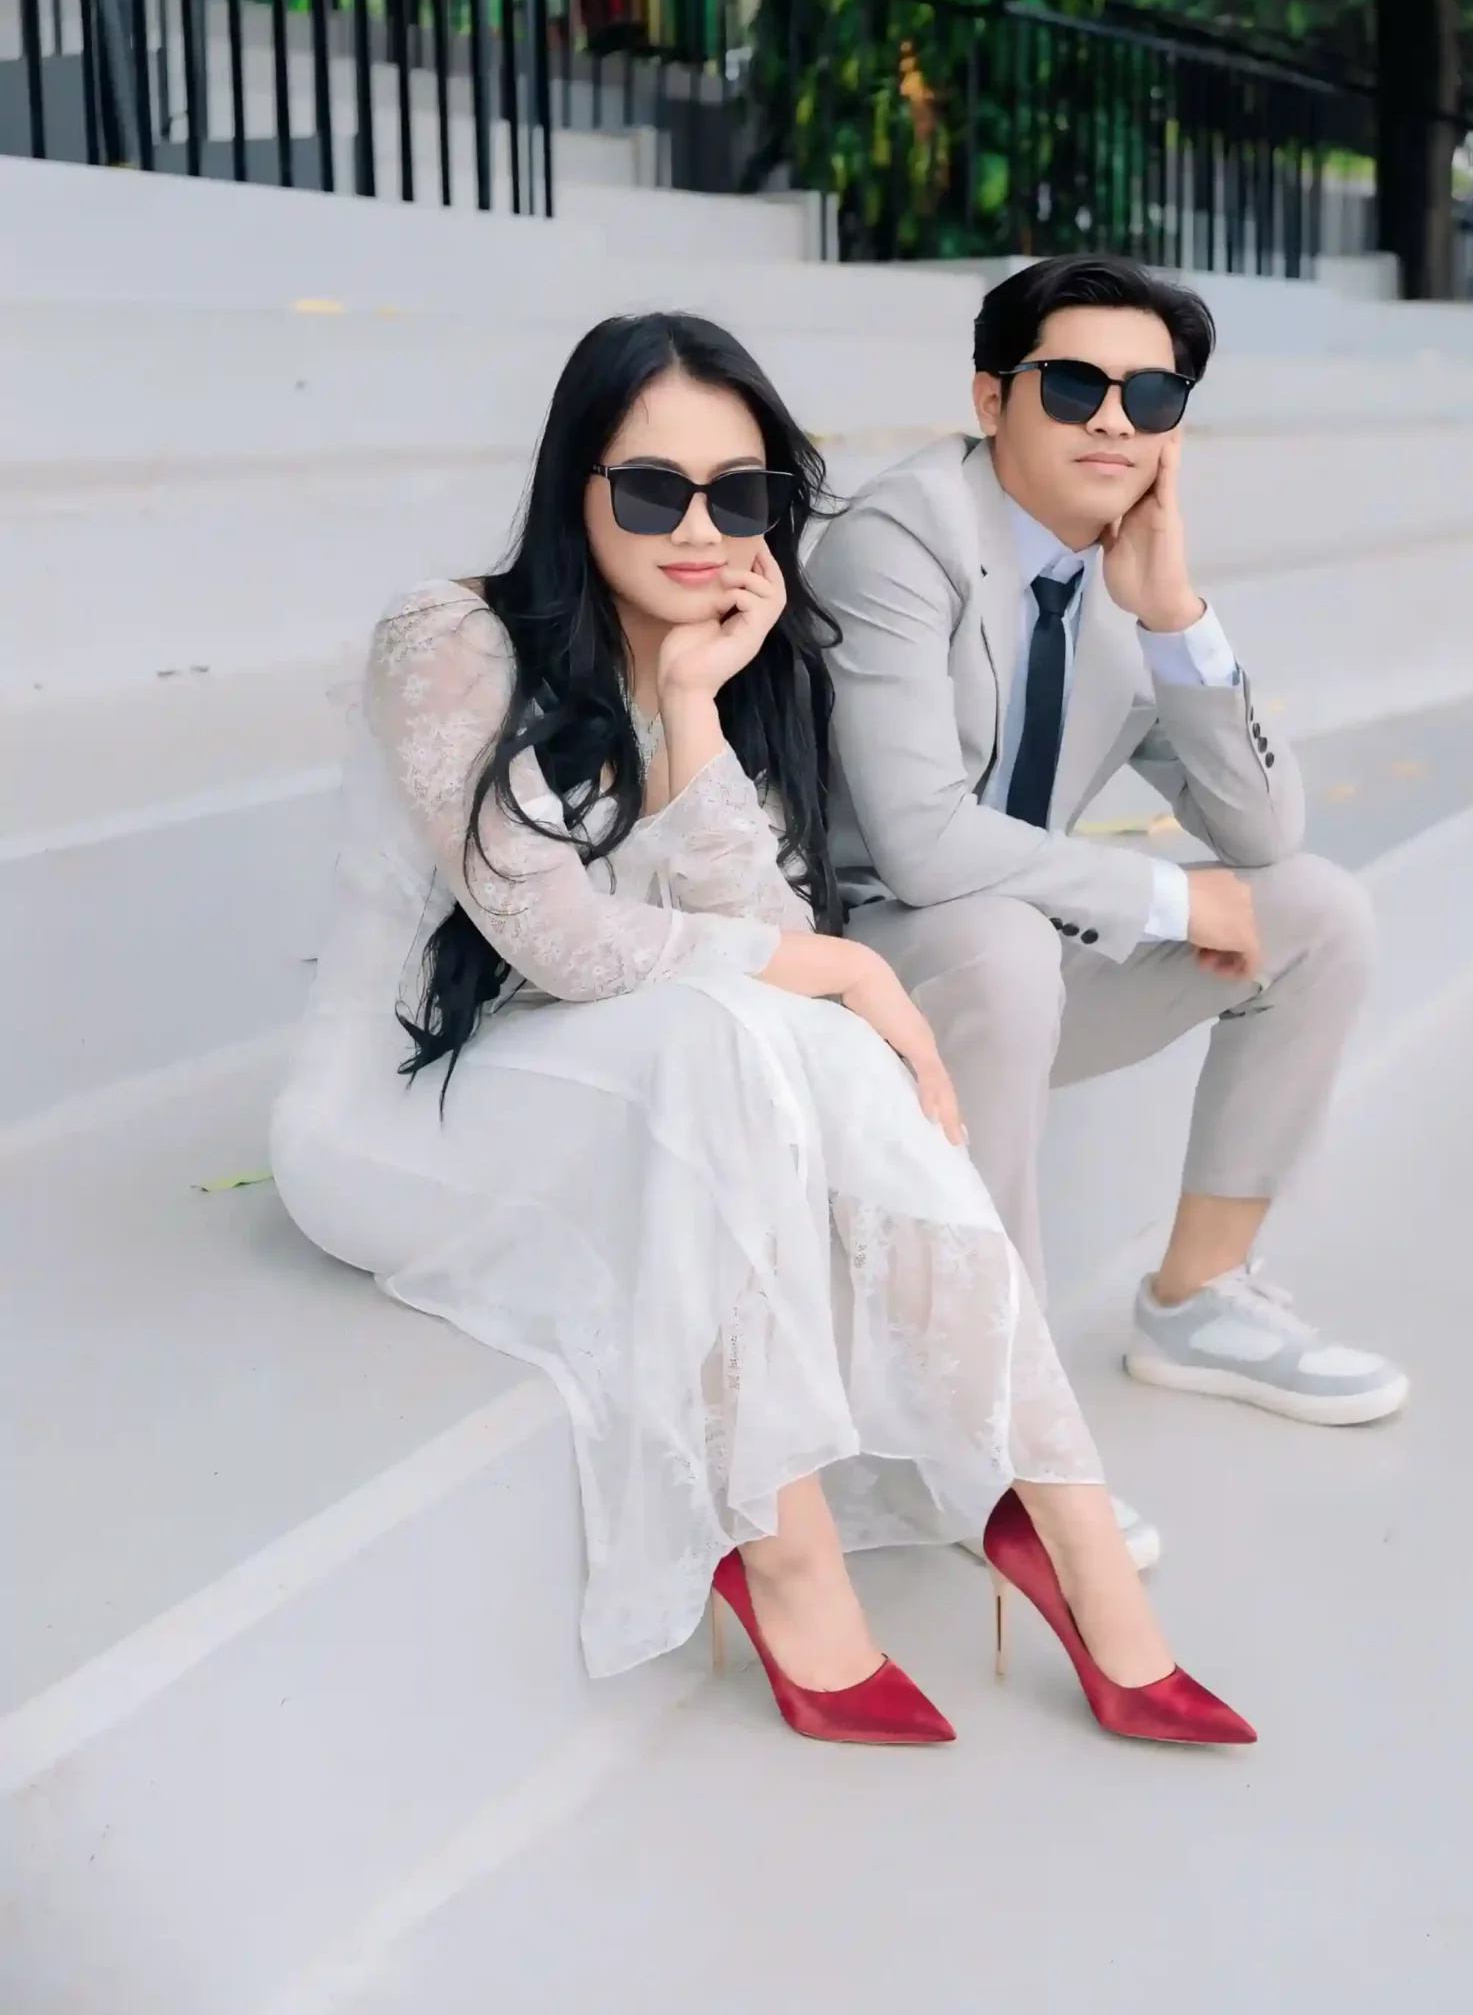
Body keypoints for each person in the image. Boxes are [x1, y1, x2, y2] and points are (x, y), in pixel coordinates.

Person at [270, 309, 1253, 1750]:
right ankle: (791, 1558)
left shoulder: (730, 657)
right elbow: (556, 939)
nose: (698, 530)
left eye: (739, 496)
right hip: (401, 1115)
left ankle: (1061, 1517)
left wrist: (690, 709)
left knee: (773, 1029)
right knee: (738, 1028)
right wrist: (849, 973)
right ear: (573, 487)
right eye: (650, 490)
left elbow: (758, 939)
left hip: (622, 1089)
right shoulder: (448, 640)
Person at [811, 258, 1407, 1573]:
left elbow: (1265, 834)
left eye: (1151, 396)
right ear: (992, 397)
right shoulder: (901, 538)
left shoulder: (1122, 572)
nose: (1114, 420)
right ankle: (980, 1421)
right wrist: (1164, 894)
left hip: (1005, 975)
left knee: (1315, 910)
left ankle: (1197, 1300)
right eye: (1075, 384)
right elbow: (916, 843)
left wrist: (1177, 616)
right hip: (848, 978)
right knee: (999, 941)